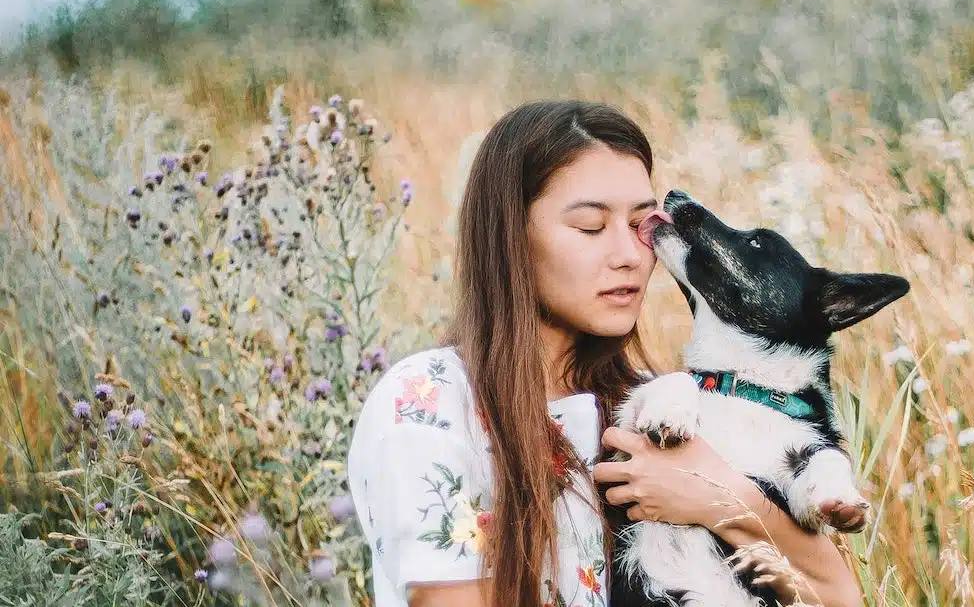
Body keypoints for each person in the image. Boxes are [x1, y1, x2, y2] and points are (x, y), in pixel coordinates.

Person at [345, 99, 863, 607]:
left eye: (642, 225)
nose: (627, 257)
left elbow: (840, 598)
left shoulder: (656, 407)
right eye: (591, 227)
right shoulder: (430, 403)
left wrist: (724, 499)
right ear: (511, 237)